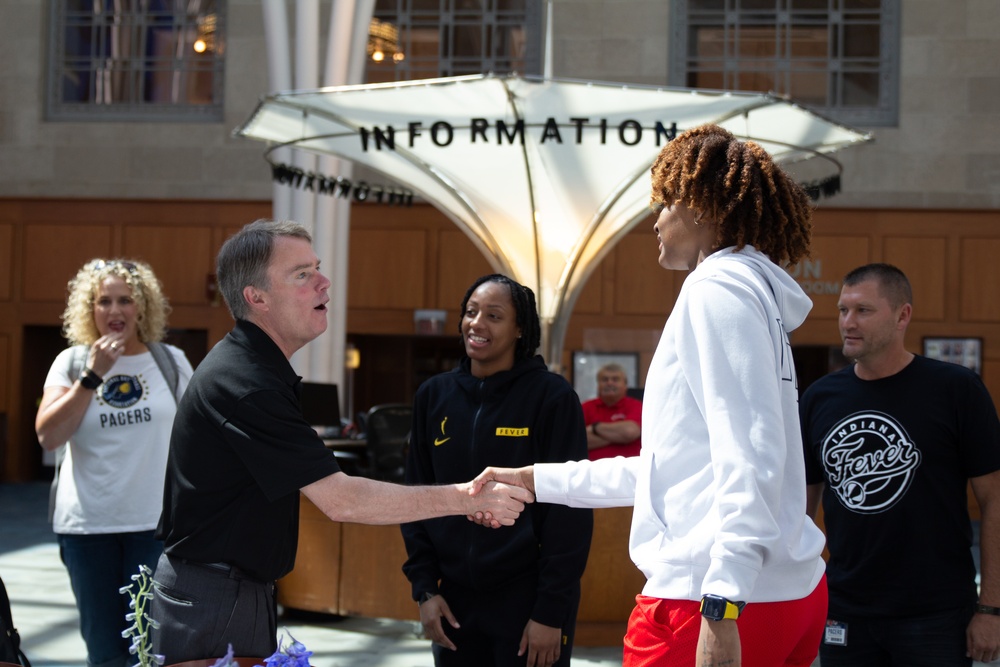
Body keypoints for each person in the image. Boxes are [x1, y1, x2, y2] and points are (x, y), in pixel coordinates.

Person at [472, 124, 828, 667]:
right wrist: (532, 480)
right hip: (780, 593)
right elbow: (672, 469)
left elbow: (749, 454)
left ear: (705, 208)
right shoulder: (750, 294)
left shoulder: (716, 287)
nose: (656, 219)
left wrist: (723, 602)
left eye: (665, 202)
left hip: (710, 599)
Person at [150, 219, 534, 664]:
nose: (324, 281)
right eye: (302, 274)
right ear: (257, 297)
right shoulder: (246, 383)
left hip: (232, 591)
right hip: (216, 596)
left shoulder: (255, 369)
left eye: (317, 267)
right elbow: (342, 500)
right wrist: (468, 499)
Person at [800, 263, 1000, 666]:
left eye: (863, 311)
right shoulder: (820, 398)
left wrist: (991, 608)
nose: (847, 323)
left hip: (936, 613)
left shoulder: (955, 390)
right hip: (846, 609)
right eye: (842, 310)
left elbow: (995, 501)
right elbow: (802, 506)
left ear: (902, 315)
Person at [401, 274, 593, 667]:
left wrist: (549, 611)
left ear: (519, 328)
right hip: (453, 601)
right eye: (471, 312)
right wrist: (424, 589)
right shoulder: (433, 396)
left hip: (528, 602)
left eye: (494, 315)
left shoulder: (552, 398)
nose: (477, 323)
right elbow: (415, 498)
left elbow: (570, 512)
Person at [35, 258, 194, 667]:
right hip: (89, 529)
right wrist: (93, 375)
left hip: (155, 527)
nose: (115, 310)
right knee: (105, 653)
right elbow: (48, 435)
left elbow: (200, 435)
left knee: (154, 652)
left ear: (142, 307)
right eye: (103, 301)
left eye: (125, 300)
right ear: (89, 309)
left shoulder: (170, 361)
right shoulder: (70, 363)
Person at [582, 363, 641, 460]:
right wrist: (620, 437)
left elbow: (630, 432)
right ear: (598, 385)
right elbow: (579, 442)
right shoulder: (585, 407)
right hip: (592, 471)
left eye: (615, 379)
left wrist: (594, 428)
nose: (609, 383)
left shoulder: (637, 406)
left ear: (625, 385)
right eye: (605, 379)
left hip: (628, 471)